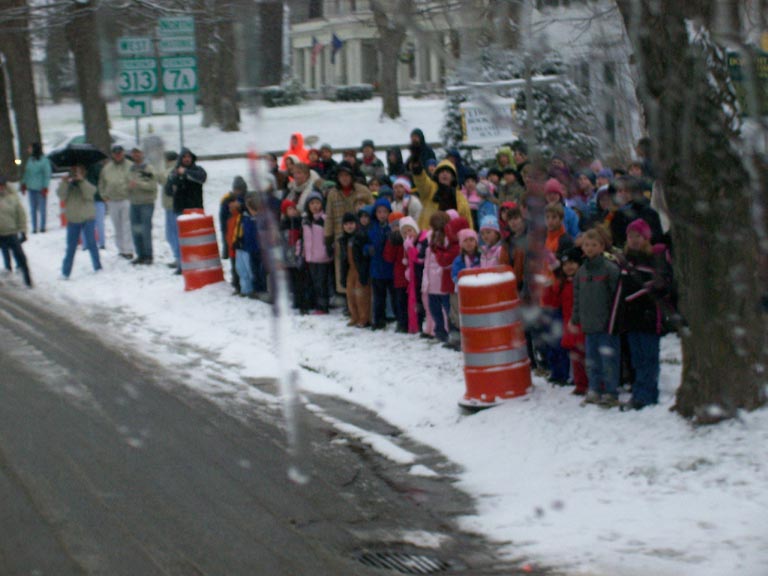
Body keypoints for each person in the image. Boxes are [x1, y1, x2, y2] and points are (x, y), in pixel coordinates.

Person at [617, 219, 672, 410]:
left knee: (648, 357)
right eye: (630, 236)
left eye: (638, 236)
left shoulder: (653, 259)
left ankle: (647, 394)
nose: (633, 240)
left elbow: (660, 286)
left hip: (648, 315)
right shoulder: (626, 261)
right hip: (631, 316)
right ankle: (639, 391)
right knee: (637, 357)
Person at [569, 228, 621, 407]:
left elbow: (616, 296)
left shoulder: (610, 269)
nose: (589, 248)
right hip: (588, 325)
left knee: (608, 359)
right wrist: (575, 317)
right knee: (592, 359)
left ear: (601, 246)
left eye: (594, 245)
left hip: (607, 324)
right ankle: (594, 389)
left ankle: (611, 391)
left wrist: (615, 318)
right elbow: (577, 297)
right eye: (586, 245)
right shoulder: (581, 272)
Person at [324, 165, 373, 296]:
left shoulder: (362, 191)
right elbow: (329, 217)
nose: (344, 179)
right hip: (341, 237)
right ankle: (348, 298)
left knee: (359, 268)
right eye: (341, 176)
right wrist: (328, 238)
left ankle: (363, 296)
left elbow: (372, 210)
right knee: (343, 268)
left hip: (359, 236)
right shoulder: (333, 193)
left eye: (347, 175)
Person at [410, 148, 473, 232]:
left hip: (453, 237)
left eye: (448, 172)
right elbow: (421, 181)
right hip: (429, 236)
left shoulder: (460, 197)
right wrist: (417, 169)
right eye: (442, 171)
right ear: (437, 176)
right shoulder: (429, 189)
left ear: (453, 177)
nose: (444, 174)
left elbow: (467, 220)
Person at [554, 247, 588, 395]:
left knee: (587, 357)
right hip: (569, 325)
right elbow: (554, 302)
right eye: (565, 264)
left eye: (572, 263)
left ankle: (593, 384)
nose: (569, 267)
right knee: (576, 358)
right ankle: (581, 384)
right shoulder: (562, 284)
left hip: (584, 324)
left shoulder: (583, 281)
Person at [57, 165, 102, 279]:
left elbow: (91, 193)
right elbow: (61, 195)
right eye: (73, 171)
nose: (75, 174)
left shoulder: (87, 183)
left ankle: (98, 267)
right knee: (71, 247)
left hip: (87, 218)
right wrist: (64, 183)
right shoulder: (68, 185)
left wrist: (81, 181)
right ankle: (65, 272)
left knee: (92, 243)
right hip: (73, 220)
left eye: (78, 171)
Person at [611, 175, 664, 250]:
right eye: (619, 191)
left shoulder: (647, 213)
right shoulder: (612, 214)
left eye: (626, 191)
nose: (623, 194)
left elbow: (656, 237)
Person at [99, 144, 133, 259]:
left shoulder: (130, 166)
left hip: (126, 199)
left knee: (127, 225)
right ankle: (121, 249)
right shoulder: (107, 168)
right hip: (112, 200)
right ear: (112, 155)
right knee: (117, 226)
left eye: (120, 153)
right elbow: (101, 184)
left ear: (123, 153)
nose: (118, 155)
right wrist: (104, 196)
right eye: (116, 153)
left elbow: (135, 180)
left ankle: (128, 250)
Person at [302, 191, 332, 314]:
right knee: (313, 282)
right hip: (310, 257)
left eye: (317, 203)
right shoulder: (305, 221)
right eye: (312, 203)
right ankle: (315, 303)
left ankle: (323, 306)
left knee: (322, 282)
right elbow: (303, 238)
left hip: (323, 257)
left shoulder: (324, 219)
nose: (315, 206)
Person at [367, 197, 395, 329]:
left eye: (385, 212)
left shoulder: (392, 228)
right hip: (377, 268)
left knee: (393, 296)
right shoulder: (372, 228)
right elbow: (365, 244)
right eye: (379, 212)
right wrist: (368, 249)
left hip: (390, 268)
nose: (382, 215)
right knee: (379, 297)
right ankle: (379, 320)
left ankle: (394, 316)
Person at [0, 176, 32, 287]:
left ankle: (28, 281)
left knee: (21, 256)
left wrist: (22, 230)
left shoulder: (12, 198)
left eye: (2, 186)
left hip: (11, 232)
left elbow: (21, 215)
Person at [127, 147, 157, 265]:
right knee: (136, 230)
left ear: (142, 154)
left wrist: (138, 184)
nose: (136, 155)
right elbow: (126, 184)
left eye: (138, 153)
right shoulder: (130, 169)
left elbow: (152, 186)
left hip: (146, 203)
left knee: (145, 230)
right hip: (134, 203)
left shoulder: (148, 168)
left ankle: (148, 256)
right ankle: (140, 255)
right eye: (134, 153)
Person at [383, 212, 408, 332]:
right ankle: (401, 322)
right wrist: (392, 243)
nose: (397, 228)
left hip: (410, 276)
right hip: (398, 276)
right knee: (399, 301)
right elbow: (388, 258)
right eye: (394, 226)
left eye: (399, 225)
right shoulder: (391, 240)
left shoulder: (409, 237)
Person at [349, 206, 374, 327]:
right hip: (360, 266)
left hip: (372, 266)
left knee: (368, 294)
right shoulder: (358, 233)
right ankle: (360, 317)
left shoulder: (372, 230)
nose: (364, 219)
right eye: (361, 217)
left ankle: (367, 317)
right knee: (360, 293)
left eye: (366, 217)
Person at [20, 142, 52, 234]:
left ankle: (42, 226)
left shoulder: (44, 160)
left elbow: (47, 174)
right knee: (33, 208)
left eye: (30, 148)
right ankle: (34, 227)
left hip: (40, 187)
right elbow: (27, 173)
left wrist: (45, 186)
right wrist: (24, 183)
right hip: (31, 188)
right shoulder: (30, 159)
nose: (28, 150)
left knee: (42, 208)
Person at [399, 216, 421, 334]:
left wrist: (410, 248)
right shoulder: (406, 244)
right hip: (412, 279)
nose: (408, 234)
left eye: (410, 230)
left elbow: (417, 258)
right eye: (405, 232)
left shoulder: (417, 244)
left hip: (419, 277)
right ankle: (413, 326)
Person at [159, 151, 180, 268]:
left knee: (173, 233)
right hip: (169, 206)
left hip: (173, 206)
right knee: (171, 233)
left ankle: (179, 257)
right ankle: (177, 256)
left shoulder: (172, 170)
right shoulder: (170, 169)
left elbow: (163, 179)